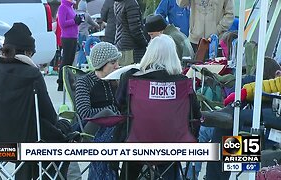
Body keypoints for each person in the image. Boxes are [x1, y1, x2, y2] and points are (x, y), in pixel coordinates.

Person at [0, 22, 73, 179]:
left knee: (29, 132)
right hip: (30, 145)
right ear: (28, 52)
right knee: (62, 134)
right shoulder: (31, 74)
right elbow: (49, 115)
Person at [116, 34, 201, 179]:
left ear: (149, 53)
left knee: (130, 141)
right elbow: (195, 114)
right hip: (173, 144)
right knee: (170, 146)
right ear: (173, 56)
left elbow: (120, 105)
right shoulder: (182, 83)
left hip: (136, 143)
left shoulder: (130, 78)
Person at [75, 42, 121, 179]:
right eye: (113, 62)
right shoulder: (85, 82)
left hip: (116, 130)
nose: (117, 66)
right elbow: (85, 113)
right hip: (92, 130)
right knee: (108, 114)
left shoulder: (117, 80)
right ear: (101, 64)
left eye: (117, 62)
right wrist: (112, 110)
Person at [57, 0, 83, 91]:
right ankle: (61, 82)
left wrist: (78, 21)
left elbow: (72, 21)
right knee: (66, 60)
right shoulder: (63, 7)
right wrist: (74, 21)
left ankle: (68, 80)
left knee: (71, 60)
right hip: (67, 37)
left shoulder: (71, 8)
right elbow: (62, 24)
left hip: (74, 37)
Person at [114, 0, 148, 66]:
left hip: (120, 45)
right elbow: (135, 30)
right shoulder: (131, 3)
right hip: (132, 49)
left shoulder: (118, 2)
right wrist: (145, 44)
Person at [76, 0, 100, 66]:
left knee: (78, 50)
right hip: (84, 34)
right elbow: (93, 24)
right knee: (83, 49)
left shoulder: (75, 13)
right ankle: (81, 63)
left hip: (76, 34)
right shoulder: (86, 15)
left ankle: (78, 63)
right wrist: (98, 25)